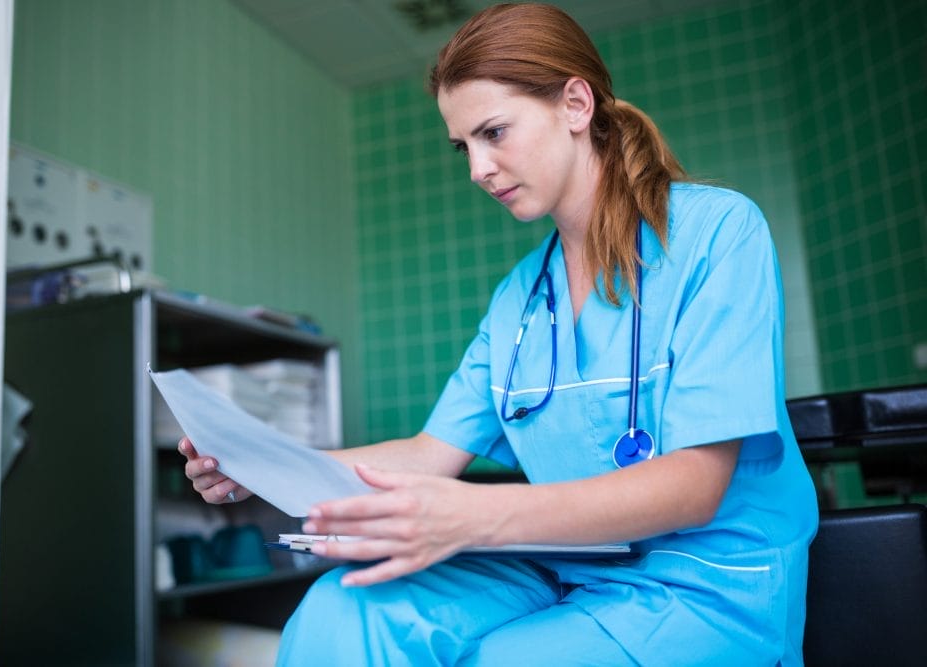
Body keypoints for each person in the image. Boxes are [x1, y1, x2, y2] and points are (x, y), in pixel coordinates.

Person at [179, 3, 818, 664]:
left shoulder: (718, 234)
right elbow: (430, 455)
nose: (477, 169)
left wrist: (473, 515)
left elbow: (694, 484)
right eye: (464, 146)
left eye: (494, 133)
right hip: (563, 562)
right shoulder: (520, 295)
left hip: (703, 578)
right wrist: (261, 465)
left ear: (576, 104)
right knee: (343, 612)